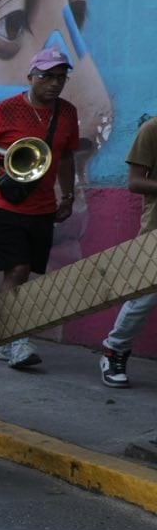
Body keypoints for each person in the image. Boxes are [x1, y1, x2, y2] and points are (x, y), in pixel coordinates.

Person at [0, 47, 80, 372]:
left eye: (60, 78)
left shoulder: (67, 113)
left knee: (24, 275)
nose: (54, 83)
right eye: (47, 76)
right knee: (17, 269)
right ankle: (18, 342)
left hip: (43, 207)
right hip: (4, 204)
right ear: (30, 77)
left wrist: (68, 197)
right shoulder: (4, 111)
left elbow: (65, 157)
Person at [98, 115, 157, 388]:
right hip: (156, 231)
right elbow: (134, 182)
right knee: (143, 298)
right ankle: (114, 351)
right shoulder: (152, 129)